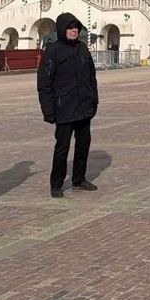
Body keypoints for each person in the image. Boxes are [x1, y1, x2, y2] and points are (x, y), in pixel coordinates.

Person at [37, 13, 99, 197]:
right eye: (70, 28)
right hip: (63, 107)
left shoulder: (82, 49)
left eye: (76, 28)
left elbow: (91, 77)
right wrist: (48, 111)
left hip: (83, 107)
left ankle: (79, 179)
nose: (73, 31)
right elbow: (44, 83)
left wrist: (94, 100)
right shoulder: (53, 51)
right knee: (62, 148)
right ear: (62, 30)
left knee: (83, 144)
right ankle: (56, 183)